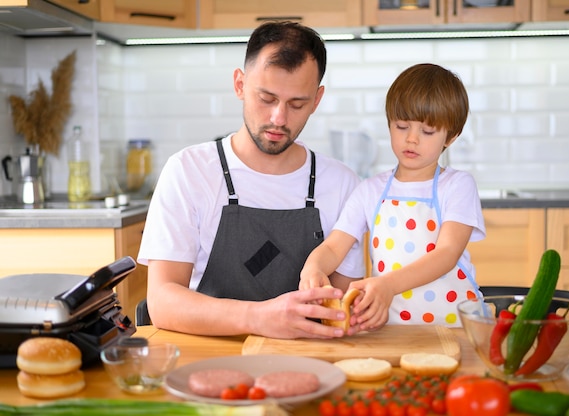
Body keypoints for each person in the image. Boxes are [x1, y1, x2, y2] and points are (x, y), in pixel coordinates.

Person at [137, 21, 364, 339]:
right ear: (240, 85)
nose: (279, 119)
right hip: (206, 360)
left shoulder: (342, 185)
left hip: (306, 362)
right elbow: (161, 301)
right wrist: (258, 318)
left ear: (317, 100)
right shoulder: (189, 172)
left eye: (297, 104)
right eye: (267, 98)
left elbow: (341, 310)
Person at [300, 63, 486, 330]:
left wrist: (387, 285)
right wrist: (313, 268)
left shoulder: (457, 185)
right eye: (401, 126)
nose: (411, 139)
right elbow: (334, 246)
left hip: (457, 326)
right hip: (394, 328)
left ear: (451, 137)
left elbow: (447, 254)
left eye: (428, 131)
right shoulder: (369, 190)